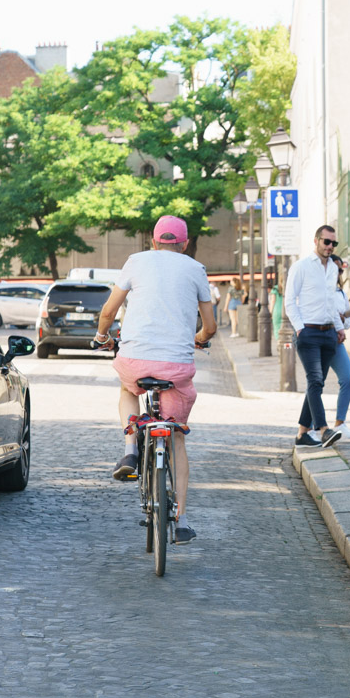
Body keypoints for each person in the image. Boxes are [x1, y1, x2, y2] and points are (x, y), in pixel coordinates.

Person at [95, 215, 216, 543]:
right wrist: (200, 337)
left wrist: (103, 335)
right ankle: (182, 519)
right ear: (185, 244)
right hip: (176, 367)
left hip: (135, 360)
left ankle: (130, 447)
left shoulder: (135, 261)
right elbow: (210, 326)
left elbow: (108, 312)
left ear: (152, 241)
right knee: (176, 436)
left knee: (127, 386)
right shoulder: (195, 269)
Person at [285, 225, 345, 449]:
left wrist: (338, 328)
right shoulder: (301, 267)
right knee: (315, 380)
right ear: (316, 241)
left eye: (333, 243)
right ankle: (323, 430)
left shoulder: (332, 268)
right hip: (308, 332)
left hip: (329, 333)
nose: (330, 247)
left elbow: (331, 302)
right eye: (326, 242)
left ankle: (302, 434)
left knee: (316, 385)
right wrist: (300, 328)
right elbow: (290, 300)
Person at [311, 254, 350, 441]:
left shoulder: (341, 293)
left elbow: (348, 324)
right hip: (319, 340)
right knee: (316, 384)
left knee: (347, 379)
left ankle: (340, 423)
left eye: (340, 270)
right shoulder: (317, 289)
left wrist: (342, 319)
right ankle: (311, 428)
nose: (338, 273)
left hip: (336, 343)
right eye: (336, 269)